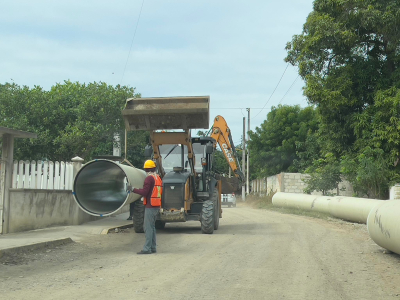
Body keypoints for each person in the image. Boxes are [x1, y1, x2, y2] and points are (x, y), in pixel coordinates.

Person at [128, 160, 162, 255]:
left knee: (148, 228)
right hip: (156, 205)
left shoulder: (149, 179)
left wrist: (132, 189)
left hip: (150, 206)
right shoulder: (158, 178)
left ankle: (147, 248)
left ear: (146, 169)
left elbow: (144, 192)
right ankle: (153, 247)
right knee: (152, 227)